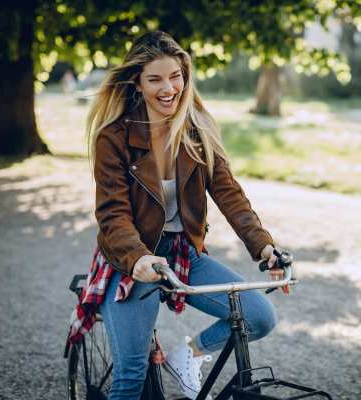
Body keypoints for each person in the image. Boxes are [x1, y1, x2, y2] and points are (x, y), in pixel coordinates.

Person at [83, 30, 280, 400]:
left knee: (259, 317)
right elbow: (113, 214)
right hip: (132, 261)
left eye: (175, 76)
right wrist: (138, 257)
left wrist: (265, 247)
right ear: (137, 84)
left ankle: (184, 356)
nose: (168, 88)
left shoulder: (198, 130)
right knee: (131, 374)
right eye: (155, 79)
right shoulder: (114, 137)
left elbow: (230, 195)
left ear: (185, 78)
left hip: (183, 256)